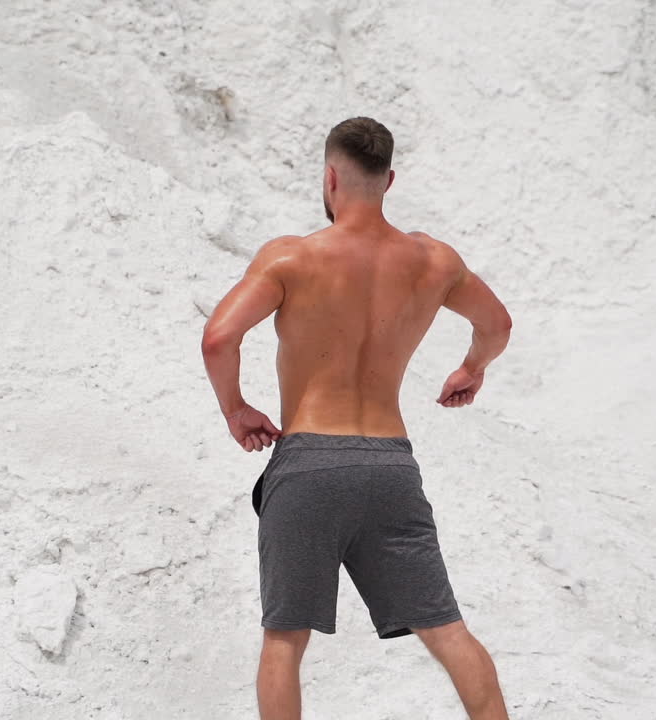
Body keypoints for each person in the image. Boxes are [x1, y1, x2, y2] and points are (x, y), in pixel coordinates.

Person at [200, 116, 514, 720]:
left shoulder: (292, 258)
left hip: (311, 464)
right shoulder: (434, 262)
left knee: (285, 642)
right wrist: (471, 369)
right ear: (389, 179)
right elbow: (497, 326)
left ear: (330, 178)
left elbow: (219, 339)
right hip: (391, 465)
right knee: (447, 631)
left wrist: (236, 409)